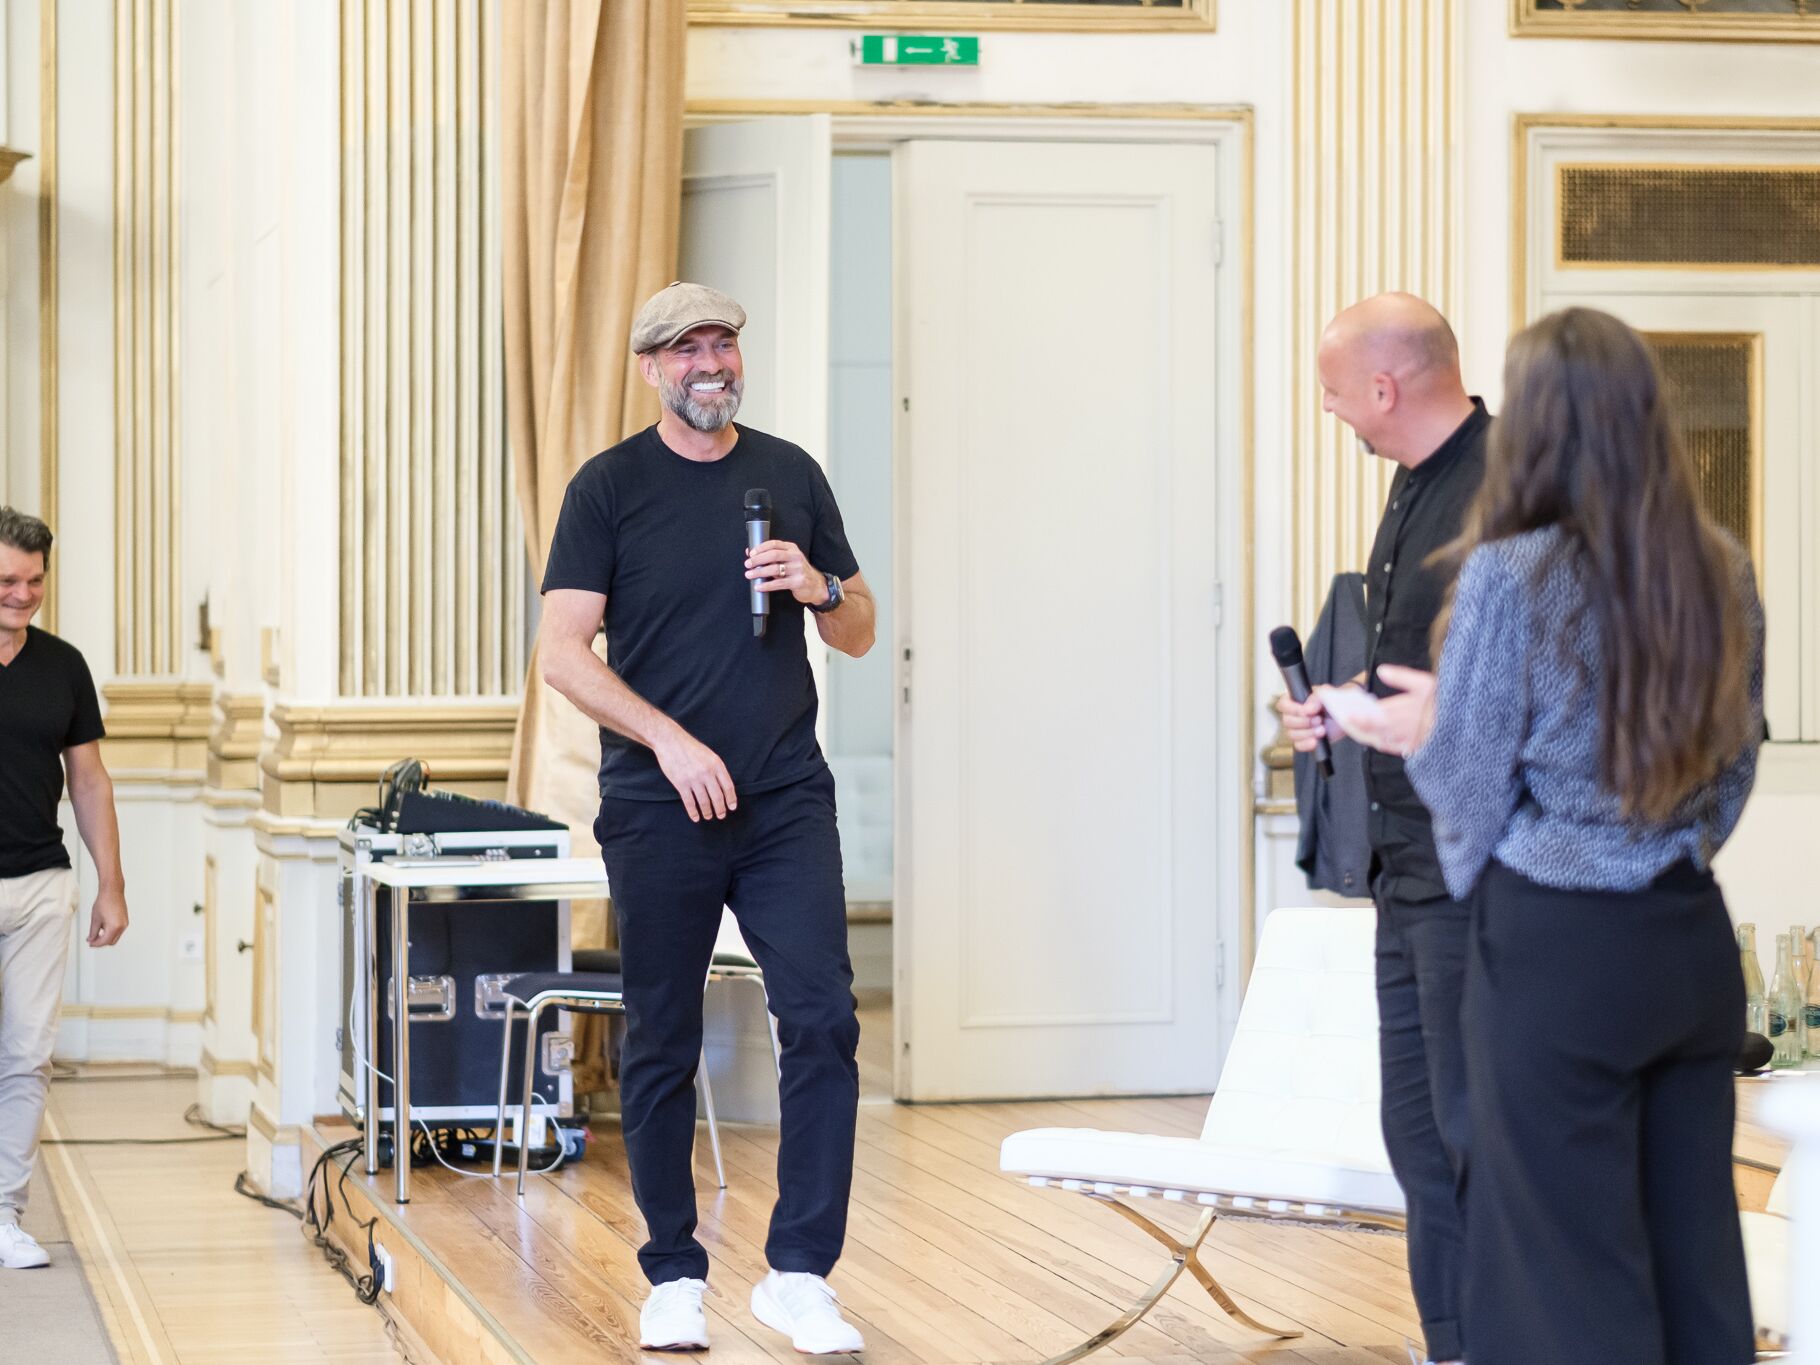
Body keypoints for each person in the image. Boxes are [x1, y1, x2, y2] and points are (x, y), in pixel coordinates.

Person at [1326, 307, 1761, 1365]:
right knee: (1695, 1260)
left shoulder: (1510, 573)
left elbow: (1466, 797)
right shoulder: (1718, 567)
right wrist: (1670, 849)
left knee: (1561, 1270)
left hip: (1557, 949)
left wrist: (1405, 731)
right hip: (1689, 943)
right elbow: (1736, 761)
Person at [539, 282, 878, 1354]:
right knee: (661, 1033)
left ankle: (798, 1274)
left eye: (722, 344)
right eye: (684, 349)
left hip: (783, 798)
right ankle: (672, 1270)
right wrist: (669, 741)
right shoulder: (608, 488)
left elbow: (861, 630)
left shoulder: (789, 474)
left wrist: (818, 585)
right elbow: (560, 656)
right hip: (659, 803)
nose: (708, 363)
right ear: (650, 369)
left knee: (821, 1018)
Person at [1277, 293, 1487, 1365]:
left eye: (1330, 390)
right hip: (1401, 869)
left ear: (1383, 386)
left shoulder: (1504, 493)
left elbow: (1532, 684)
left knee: (1467, 1130)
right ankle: (1447, 1342)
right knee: (1414, 1129)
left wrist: (1416, 713)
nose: (1329, 412)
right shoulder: (1406, 489)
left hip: (1475, 875)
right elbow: (1421, 669)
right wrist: (1340, 700)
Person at [0, 507, 129, 1271]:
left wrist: (111, 884)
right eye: (8, 581)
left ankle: (4, 1211)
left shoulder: (64, 664)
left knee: (28, 1052)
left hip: (42, 883)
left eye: (34, 580)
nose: (22, 594)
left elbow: (89, 780)